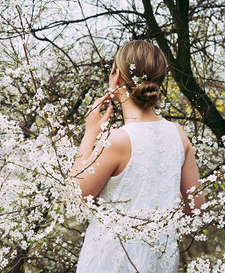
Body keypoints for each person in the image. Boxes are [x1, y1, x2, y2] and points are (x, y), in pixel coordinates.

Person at [70, 40, 205, 272]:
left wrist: (90, 133)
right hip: (159, 260)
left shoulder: (116, 140)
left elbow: (73, 199)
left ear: (118, 78)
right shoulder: (178, 135)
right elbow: (196, 208)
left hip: (109, 261)